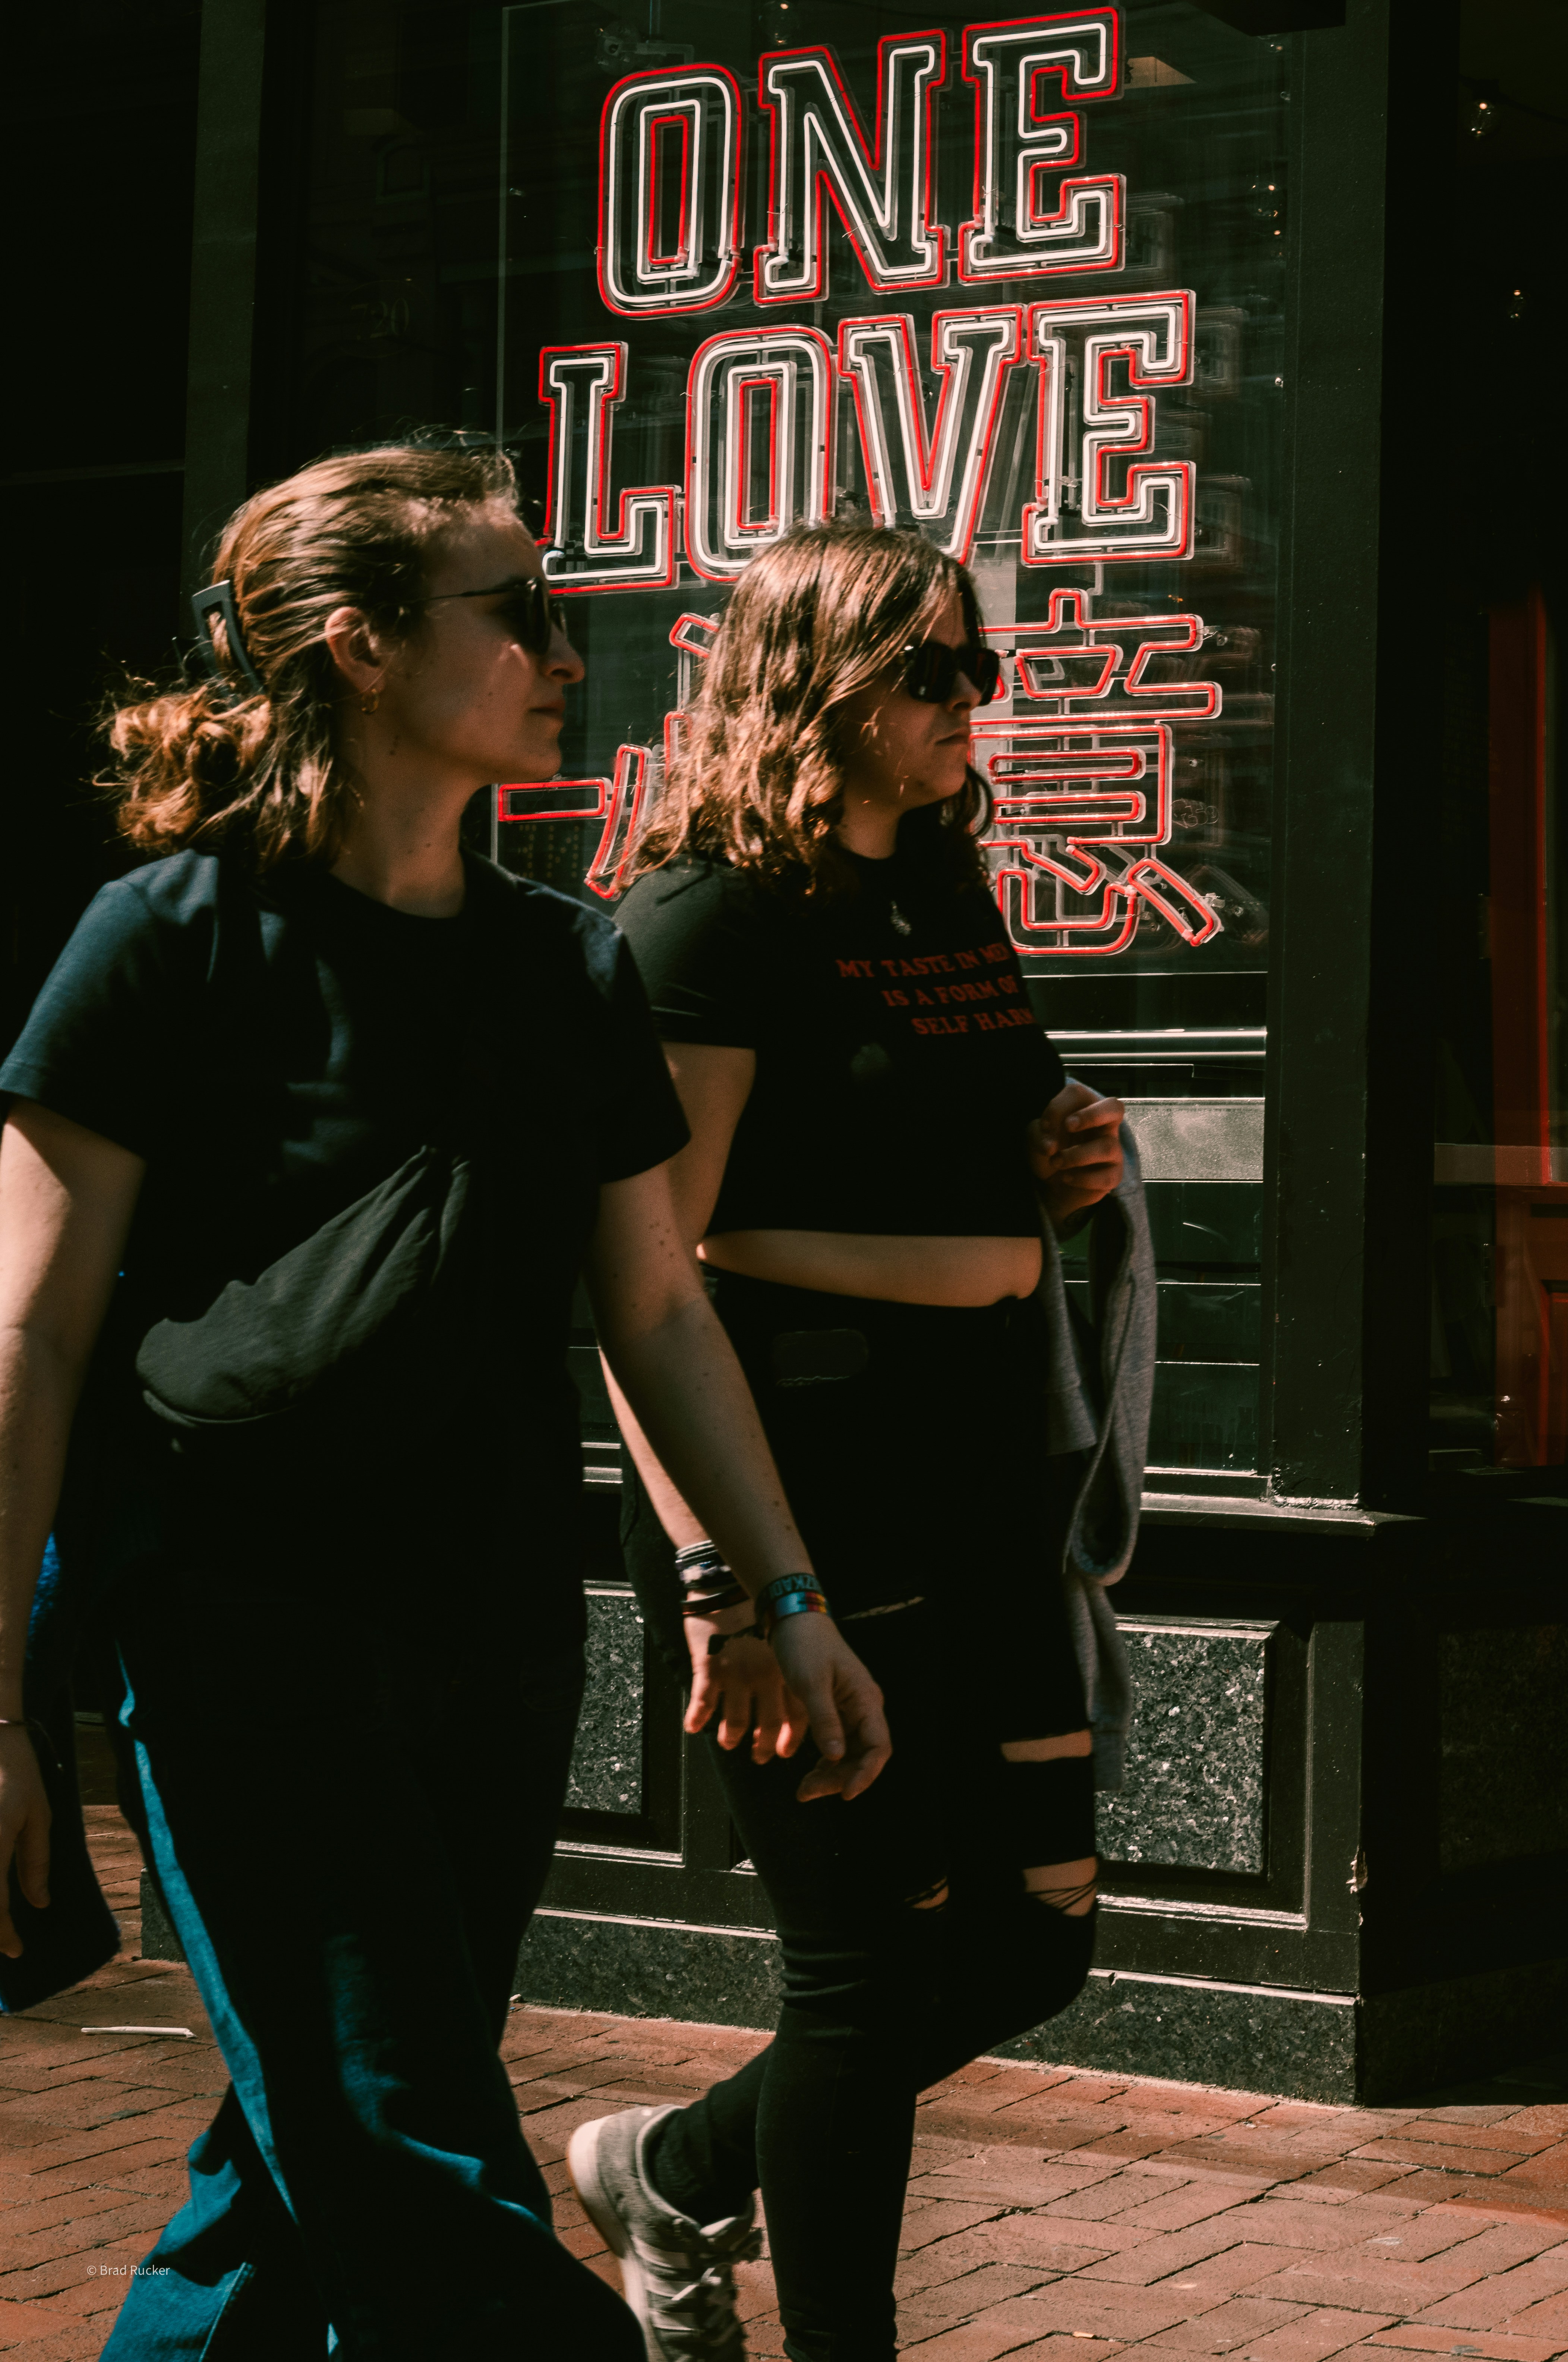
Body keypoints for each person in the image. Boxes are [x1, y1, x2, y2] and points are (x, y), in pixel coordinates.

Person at [0, 442, 887, 2359]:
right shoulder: (169, 939)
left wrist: (784, 1590)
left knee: (304, 2160)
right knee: (406, 2146)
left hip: (493, 1630)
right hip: (241, 1619)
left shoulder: (563, 961)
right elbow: (32, 1337)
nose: (570, 655)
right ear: (363, 644)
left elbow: (658, 1307)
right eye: (521, 613)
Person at [557, 525, 1129, 2362]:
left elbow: (933, 1144)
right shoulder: (706, 923)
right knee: (866, 1971)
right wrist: (722, 1581)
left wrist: (1052, 1167)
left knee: (1034, 1941)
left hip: (987, 1470)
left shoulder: (943, 891)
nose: (978, 702)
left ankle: (670, 2169)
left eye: (982, 666)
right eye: (935, 671)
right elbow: (645, 1287)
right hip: (812, 1475)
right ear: (823, 685)